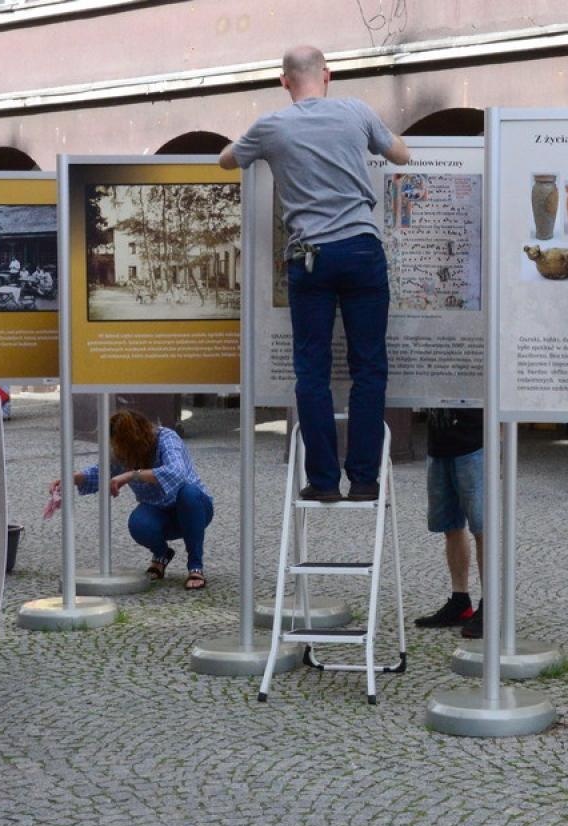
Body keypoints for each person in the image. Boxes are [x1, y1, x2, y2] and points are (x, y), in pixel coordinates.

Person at [219, 44, 411, 504]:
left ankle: (323, 481)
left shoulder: (270, 127)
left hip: (309, 257)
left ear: (284, 81)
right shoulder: (356, 112)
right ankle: (364, 479)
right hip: (362, 250)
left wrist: (250, 146)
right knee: (368, 367)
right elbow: (401, 154)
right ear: (328, 75)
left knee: (312, 369)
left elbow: (227, 159)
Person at [56, 409, 214, 589]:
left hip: (195, 509)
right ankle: (162, 554)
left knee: (189, 493)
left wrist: (132, 475)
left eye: (119, 445)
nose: (117, 450)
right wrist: (73, 478)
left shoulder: (166, 438)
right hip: (158, 511)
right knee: (138, 524)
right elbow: (100, 472)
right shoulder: (123, 453)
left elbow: (176, 472)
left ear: (134, 439)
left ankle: (195, 566)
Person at [412, 408, 485, 638]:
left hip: (475, 442)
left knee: (483, 528)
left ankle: (490, 606)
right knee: (451, 526)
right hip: (439, 445)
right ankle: (460, 600)